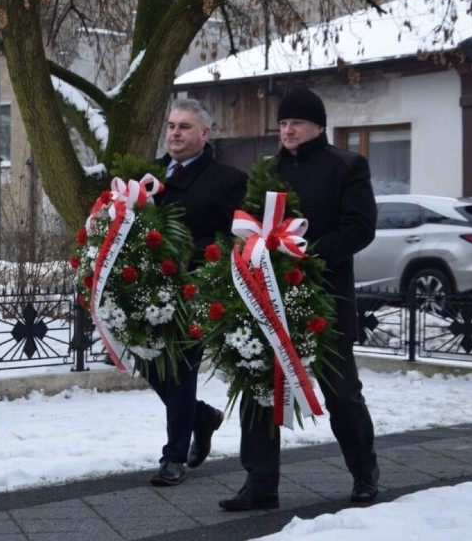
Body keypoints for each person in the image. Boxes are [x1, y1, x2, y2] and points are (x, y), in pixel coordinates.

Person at [219, 87, 379, 511]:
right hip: (265, 302)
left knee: (342, 393)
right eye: (284, 123)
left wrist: (304, 254)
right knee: (259, 387)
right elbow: (249, 225)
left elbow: (360, 229)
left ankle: (365, 473)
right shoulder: (267, 170)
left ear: (318, 126)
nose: (288, 130)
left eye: (297, 123)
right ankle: (259, 484)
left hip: (324, 302)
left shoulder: (347, 166)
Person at [145, 97, 248, 487]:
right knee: (151, 364)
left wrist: (206, 263)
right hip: (148, 291)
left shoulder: (228, 180)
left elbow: (237, 240)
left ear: (205, 133)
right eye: (171, 125)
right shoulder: (149, 175)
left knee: (180, 369)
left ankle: (173, 457)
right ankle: (201, 416)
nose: (174, 133)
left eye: (184, 127)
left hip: (196, 291)